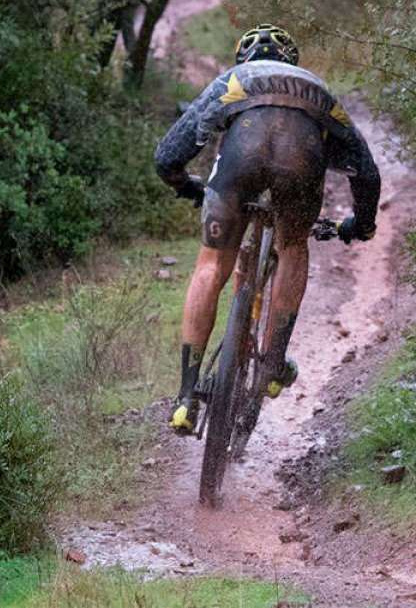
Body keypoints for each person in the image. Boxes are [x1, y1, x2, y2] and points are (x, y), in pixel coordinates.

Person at [153, 24, 381, 434]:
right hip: (301, 160)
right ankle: (274, 364)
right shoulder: (318, 88)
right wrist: (360, 224)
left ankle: (185, 399)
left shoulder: (234, 80)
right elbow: (365, 171)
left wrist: (185, 186)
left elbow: (168, 155)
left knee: (211, 264)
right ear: (292, 62)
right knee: (293, 246)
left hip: (239, 161)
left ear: (244, 59)